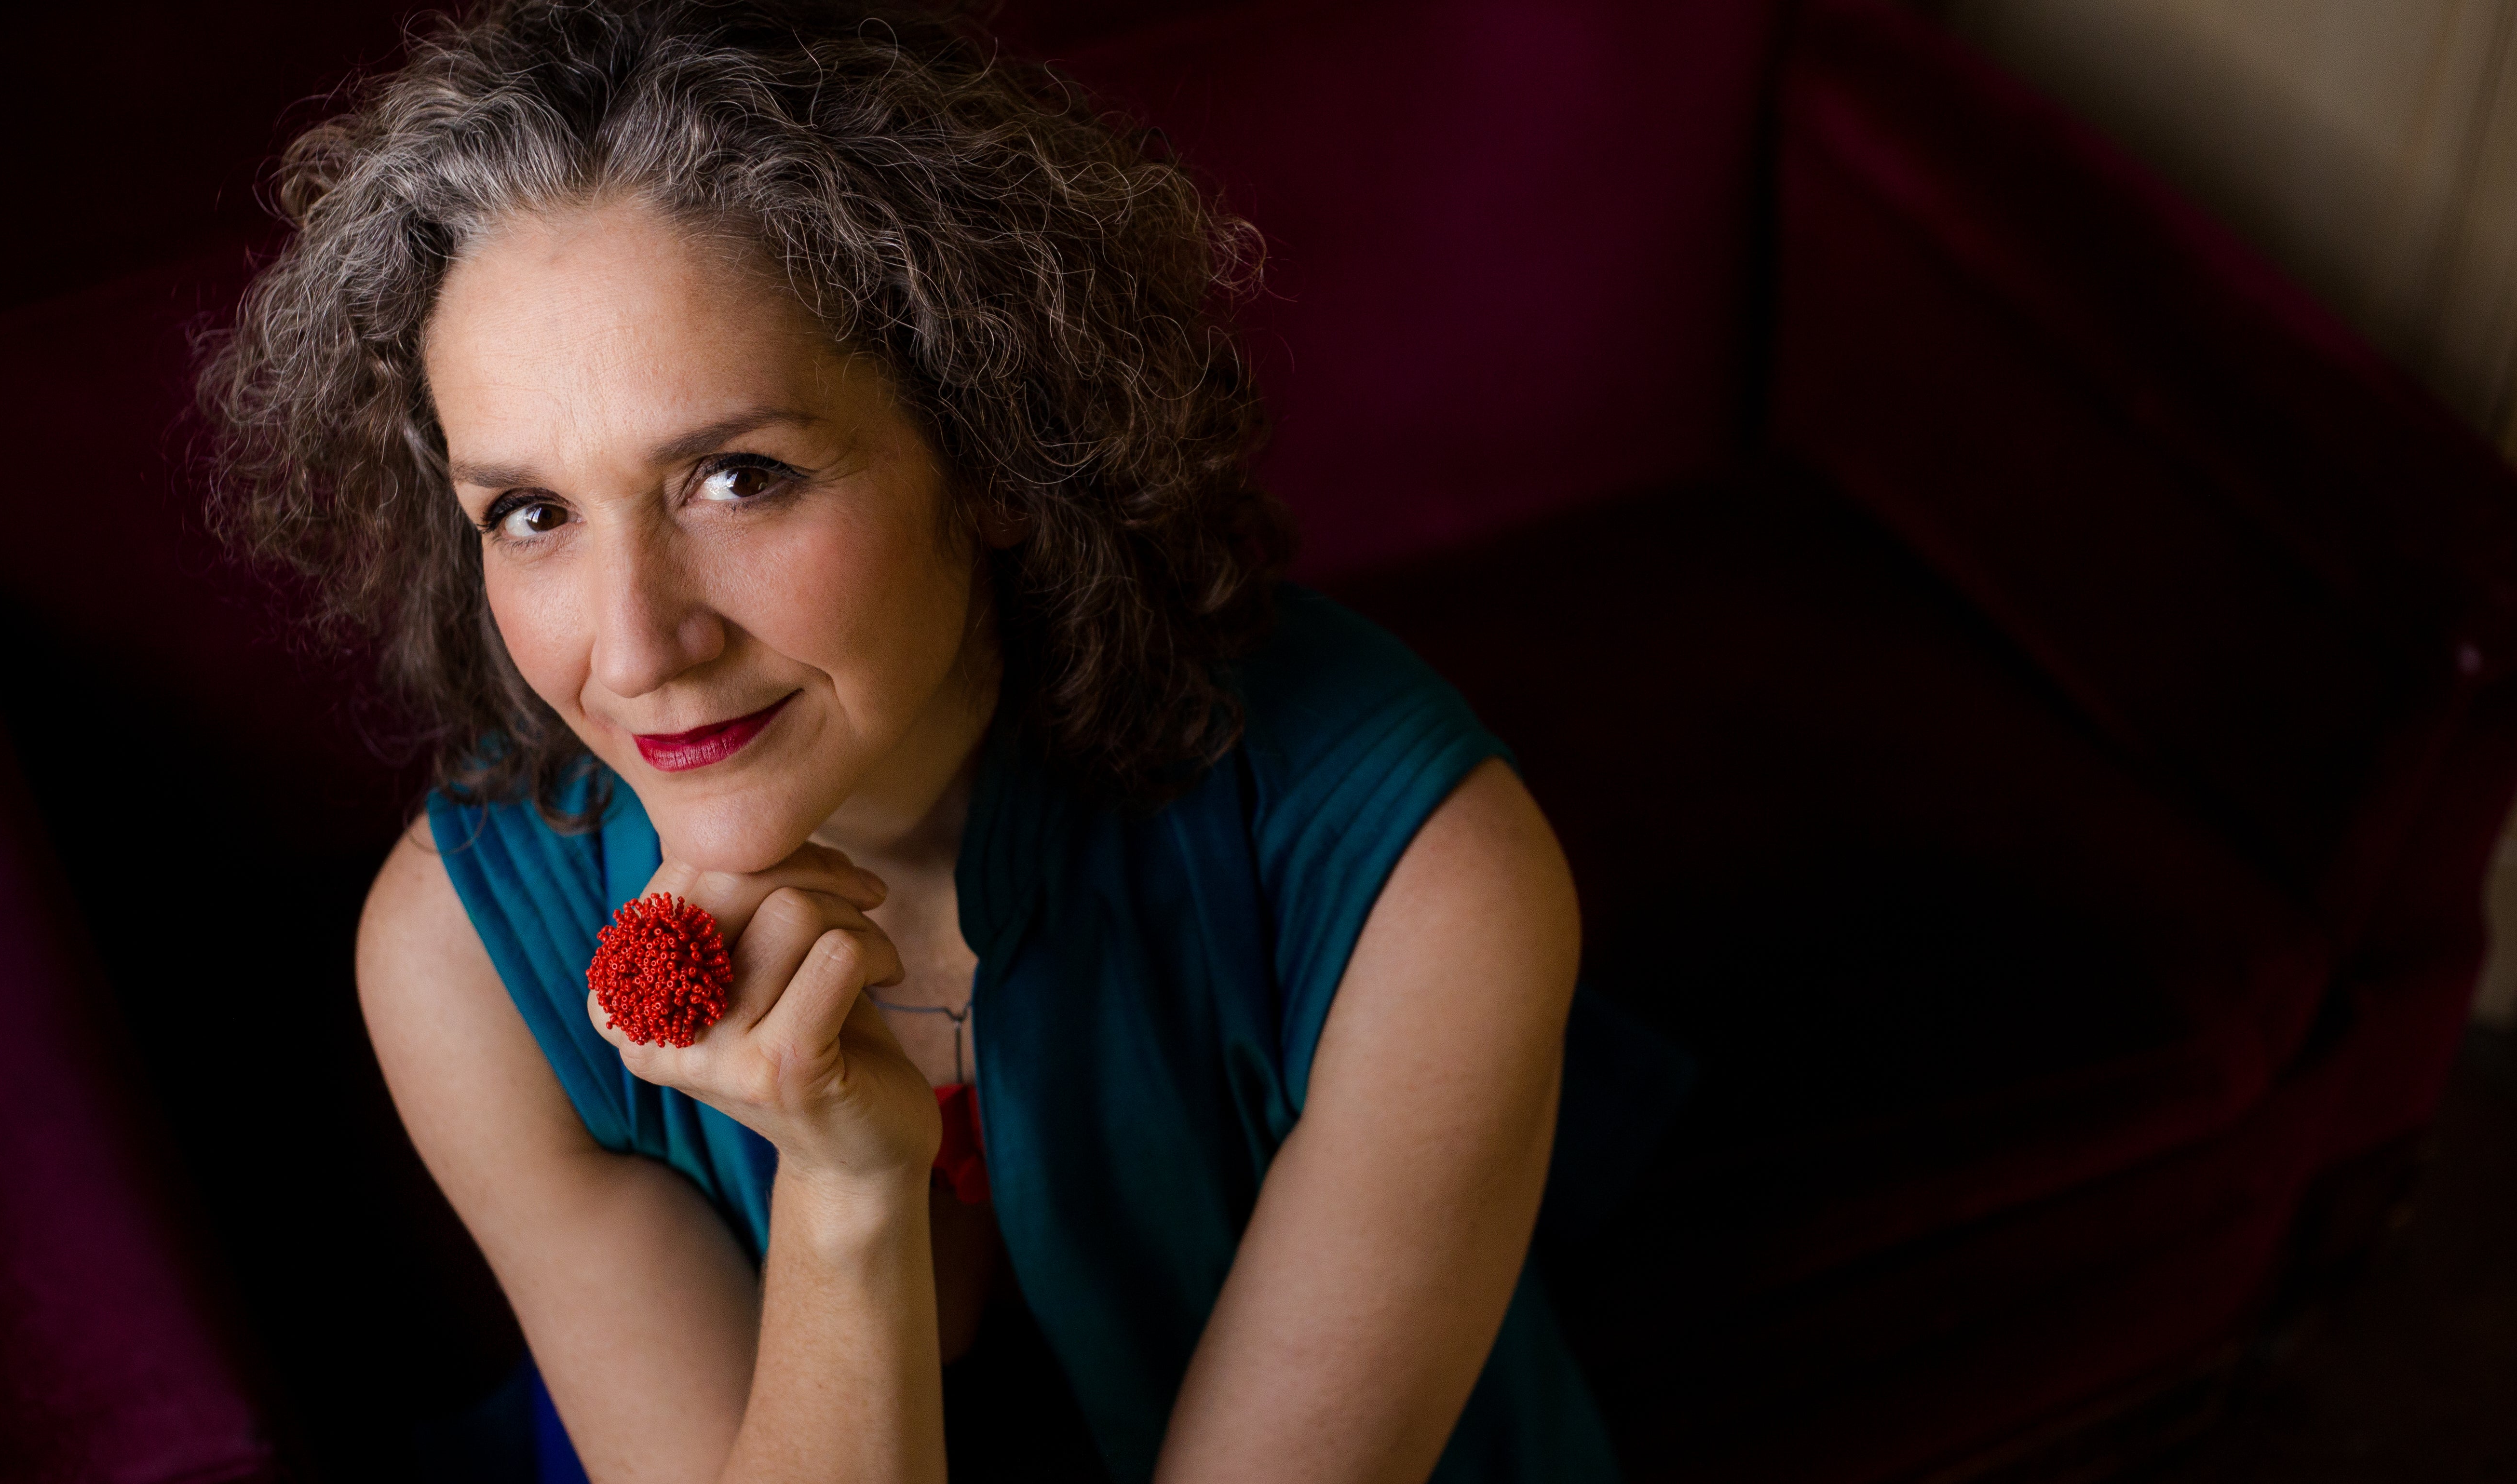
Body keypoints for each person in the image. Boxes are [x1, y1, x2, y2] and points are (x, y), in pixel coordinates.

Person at [202, 1, 1641, 1479]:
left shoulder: (1423, 884)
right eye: (530, 512)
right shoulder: (458, 962)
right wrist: (846, 1186)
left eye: (738, 477)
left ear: (994, 450)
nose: (632, 653)